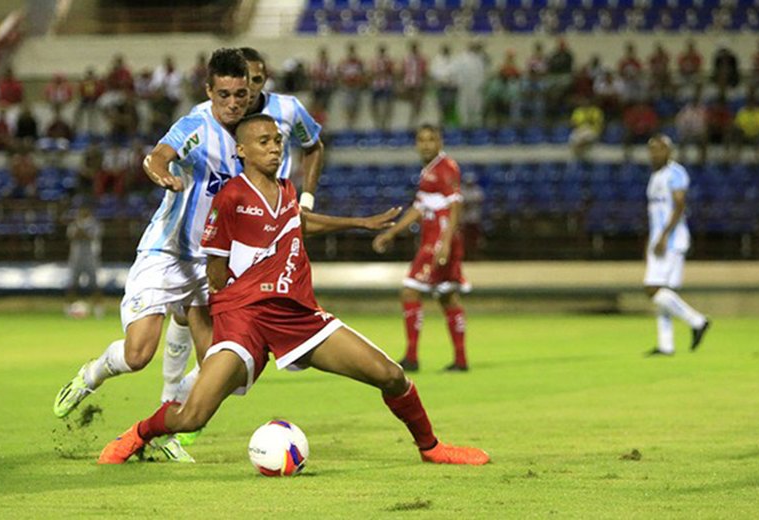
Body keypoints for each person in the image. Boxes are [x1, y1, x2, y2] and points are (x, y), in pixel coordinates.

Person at [97, 114, 490, 466]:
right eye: (264, 141)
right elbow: (214, 271)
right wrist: (229, 315)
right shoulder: (230, 196)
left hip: (297, 316)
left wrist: (360, 222)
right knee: (191, 416)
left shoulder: (286, 190)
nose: (274, 148)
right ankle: (139, 433)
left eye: (277, 141)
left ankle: (431, 448)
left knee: (390, 374)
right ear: (242, 150)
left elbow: (300, 222)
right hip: (245, 319)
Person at [53, 49, 251, 465]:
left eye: (241, 94)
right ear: (209, 91)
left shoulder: (253, 136)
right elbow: (160, 153)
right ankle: (93, 373)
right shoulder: (196, 126)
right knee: (138, 354)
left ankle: (168, 432)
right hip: (166, 253)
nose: (233, 103)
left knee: (219, 368)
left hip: (208, 264)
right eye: (225, 95)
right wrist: (161, 170)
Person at [160, 46, 327, 433]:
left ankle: (178, 401)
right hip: (219, 233)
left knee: (232, 364)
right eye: (236, 86)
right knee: (213, 334)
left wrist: (305, 198)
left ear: (262, 79)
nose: (244, 93)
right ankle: (170, 405)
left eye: (251, 83)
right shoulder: (215, 121)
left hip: (267, 232)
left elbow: (314, 144)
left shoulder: (285, 112)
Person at [372, 125, 470, 372]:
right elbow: (418, 209)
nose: (425, 144)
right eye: (421, 140)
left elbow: (456, 206)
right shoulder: (428, 172)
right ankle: (460, 360)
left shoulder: (446, 168)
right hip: (436, 240)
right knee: (447, 297)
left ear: (440, 142)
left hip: (438, 241)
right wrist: (391, 233)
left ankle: (412, 357)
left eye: (431, 139)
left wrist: (446, 243)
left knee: (409, 291)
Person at [644, 135, 710, 357]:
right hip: (659, 239)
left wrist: (663, 236)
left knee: (653, 289)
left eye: (659, 149)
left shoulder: (675, 173)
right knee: (664, 292)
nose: (655, 154)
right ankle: (666, 345)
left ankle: (697, 321)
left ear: (669, 151)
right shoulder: (655, 176)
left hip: (671, 240)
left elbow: (679, 205)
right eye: (652, 150)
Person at [65, 204, 103, 318]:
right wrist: (81, 231)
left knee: (94, 284)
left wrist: (81, 231)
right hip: (76, 257)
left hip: (91, 257)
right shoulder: (74, 225)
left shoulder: (94, 224)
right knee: (72, 284)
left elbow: (90, 236)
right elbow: (72, 236)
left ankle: (98, 309)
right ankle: (68, 308)